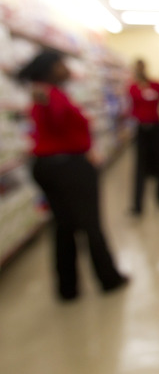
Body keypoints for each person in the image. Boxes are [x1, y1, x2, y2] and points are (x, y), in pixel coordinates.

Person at [17, 50, 128, 301]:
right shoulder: (48, 94)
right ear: (50, 68)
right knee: (90, 223)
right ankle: (108, 279)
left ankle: (67, 288)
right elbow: (58, 121)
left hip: (49, 165)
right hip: (68, 166)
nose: (67, 69)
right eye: (61, 64)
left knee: (64, 226)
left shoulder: (45, 92)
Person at [129, 59, 159, 215]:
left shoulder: (157, 85)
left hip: (156, 128)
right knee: (139, 167)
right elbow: (133, 106)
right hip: (141, 130)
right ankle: (137, 205)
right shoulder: (132, 87)